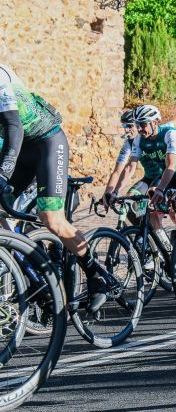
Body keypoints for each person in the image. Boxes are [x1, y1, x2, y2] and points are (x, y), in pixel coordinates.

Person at [0, 64, 116, 312]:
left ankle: (96, 274)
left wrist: (3, 173)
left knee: (51, 218)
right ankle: (34, 277)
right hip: (20, 151)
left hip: (46, 142)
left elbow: (13, 127)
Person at [115, 104, 176, 235]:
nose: (139, 129)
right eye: (137, 124)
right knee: (150, 212)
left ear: (155, 122)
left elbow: (171, 166)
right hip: (166, 176)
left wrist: (161, 189)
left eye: (142, 124)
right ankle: (161, 246)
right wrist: (115, 191)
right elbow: (130, 167)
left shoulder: (170, 134)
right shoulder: (139, 139)